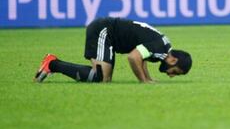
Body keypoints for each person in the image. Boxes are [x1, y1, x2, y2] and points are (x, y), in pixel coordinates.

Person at [34, 17, 192, 84]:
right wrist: (144, 81)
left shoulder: (163, 48)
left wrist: (148, 79)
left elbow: (142, 58)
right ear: (173, 60)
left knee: (104, 79)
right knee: (100, 78)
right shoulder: (160, 48)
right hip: (103, 31)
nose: (171, 75)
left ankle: (52, 64)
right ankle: (52, 64)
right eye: (175, 71)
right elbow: (133, 57)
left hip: (109, 36)